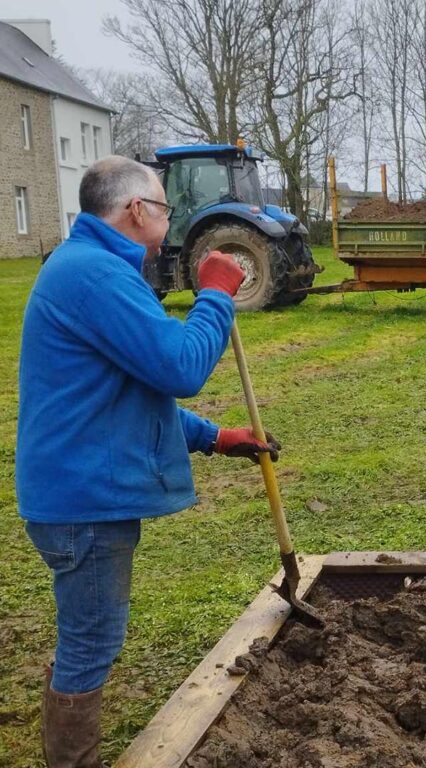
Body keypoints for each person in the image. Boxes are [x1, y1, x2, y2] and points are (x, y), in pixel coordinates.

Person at [16, 156, 281, 768]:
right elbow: (178, 367)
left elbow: (124, 392)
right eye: (163, 208)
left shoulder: (93, 268)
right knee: (90, 643)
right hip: (82, 500)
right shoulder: (94, 275)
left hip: (79, 490)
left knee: (88, 635)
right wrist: (215, 295)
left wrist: (214, 437)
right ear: (137, 210)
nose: (167, 219)